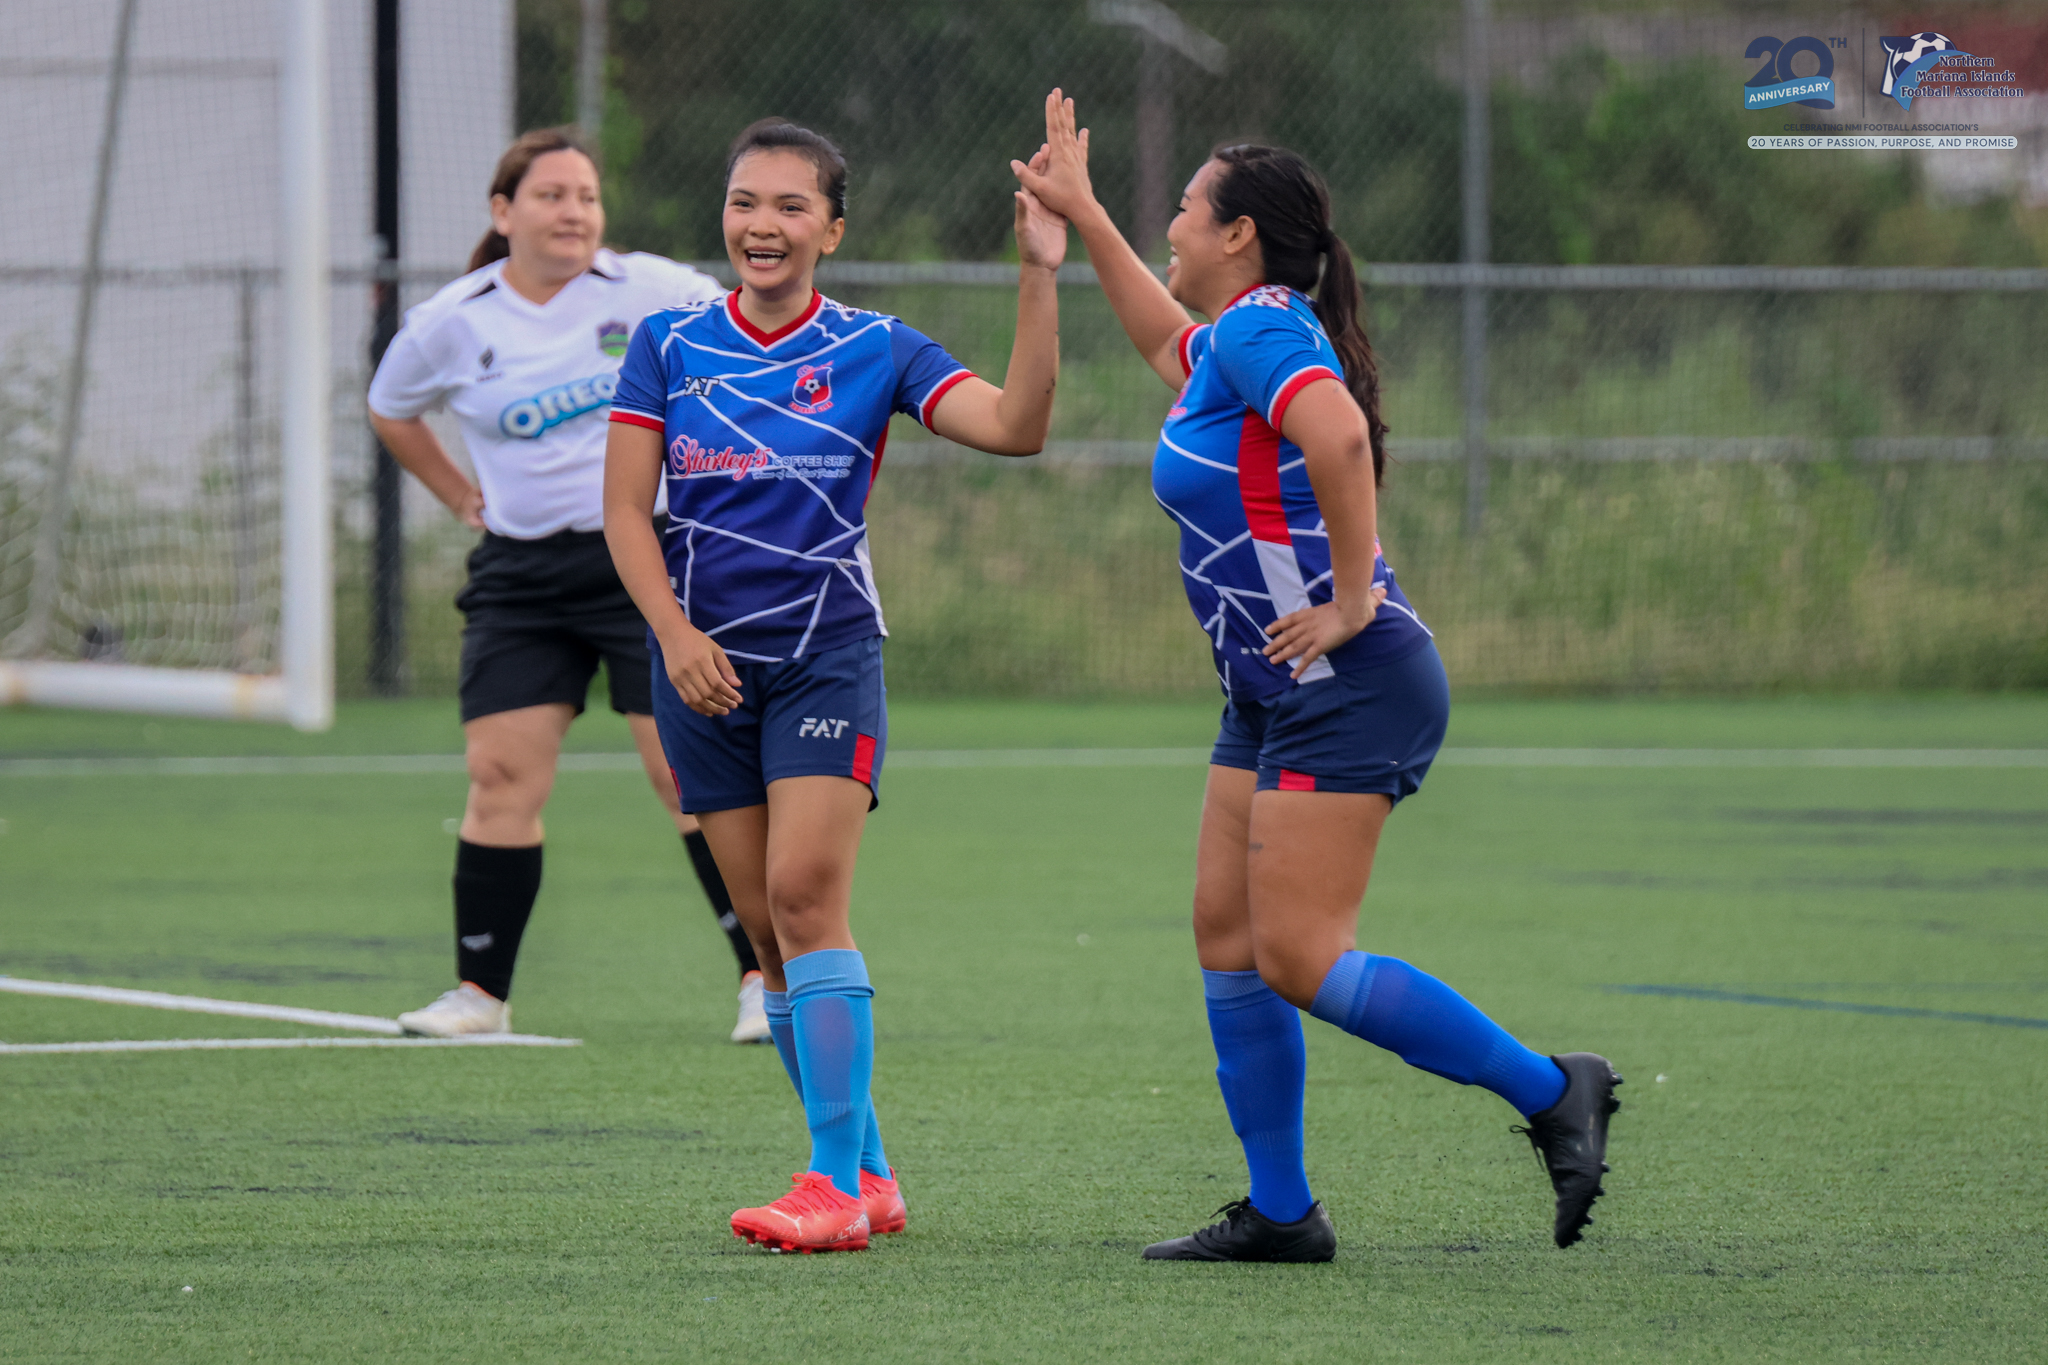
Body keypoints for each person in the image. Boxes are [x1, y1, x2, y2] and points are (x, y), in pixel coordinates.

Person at [1013, 91, 1621, 1262]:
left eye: (1183, 208)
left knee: (1296, 955)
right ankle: (1281, 1213)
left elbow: (1337, 435)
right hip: (1270, 689)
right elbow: (1157, 339)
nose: (1171, 226)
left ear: (1237, 234)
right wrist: (1081, 216)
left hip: (1348, 681)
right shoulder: (1229, 342)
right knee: (1226, 935)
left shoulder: (1259, 328)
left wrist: (1347, 599)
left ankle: (1554, 1091)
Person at [604, 118, 1066, 1253]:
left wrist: (1038, 273)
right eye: (744, 202)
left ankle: (828, 1187)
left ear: (832, 229)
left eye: (790, 206)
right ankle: (869, 1171)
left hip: (826, 655)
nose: (762, 225)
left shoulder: (876, 348)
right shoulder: (666, 343)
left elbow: (1016, 427)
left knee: (807, 898)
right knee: (770, 940)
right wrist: (673, 636)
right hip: (700, 674)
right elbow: (623, 512)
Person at [366, 127, 773, 1044]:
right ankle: (480, 995)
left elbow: (752, 341)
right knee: (499, 774)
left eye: (586, 195)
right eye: (551, 195)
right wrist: (458, 494)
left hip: (650, 562)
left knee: (685, 774)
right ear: (503, 211)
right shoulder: (452, 320)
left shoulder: (654, 290)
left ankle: (764, 977)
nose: (574, 212)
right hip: (521, 575)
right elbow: (390, 409)